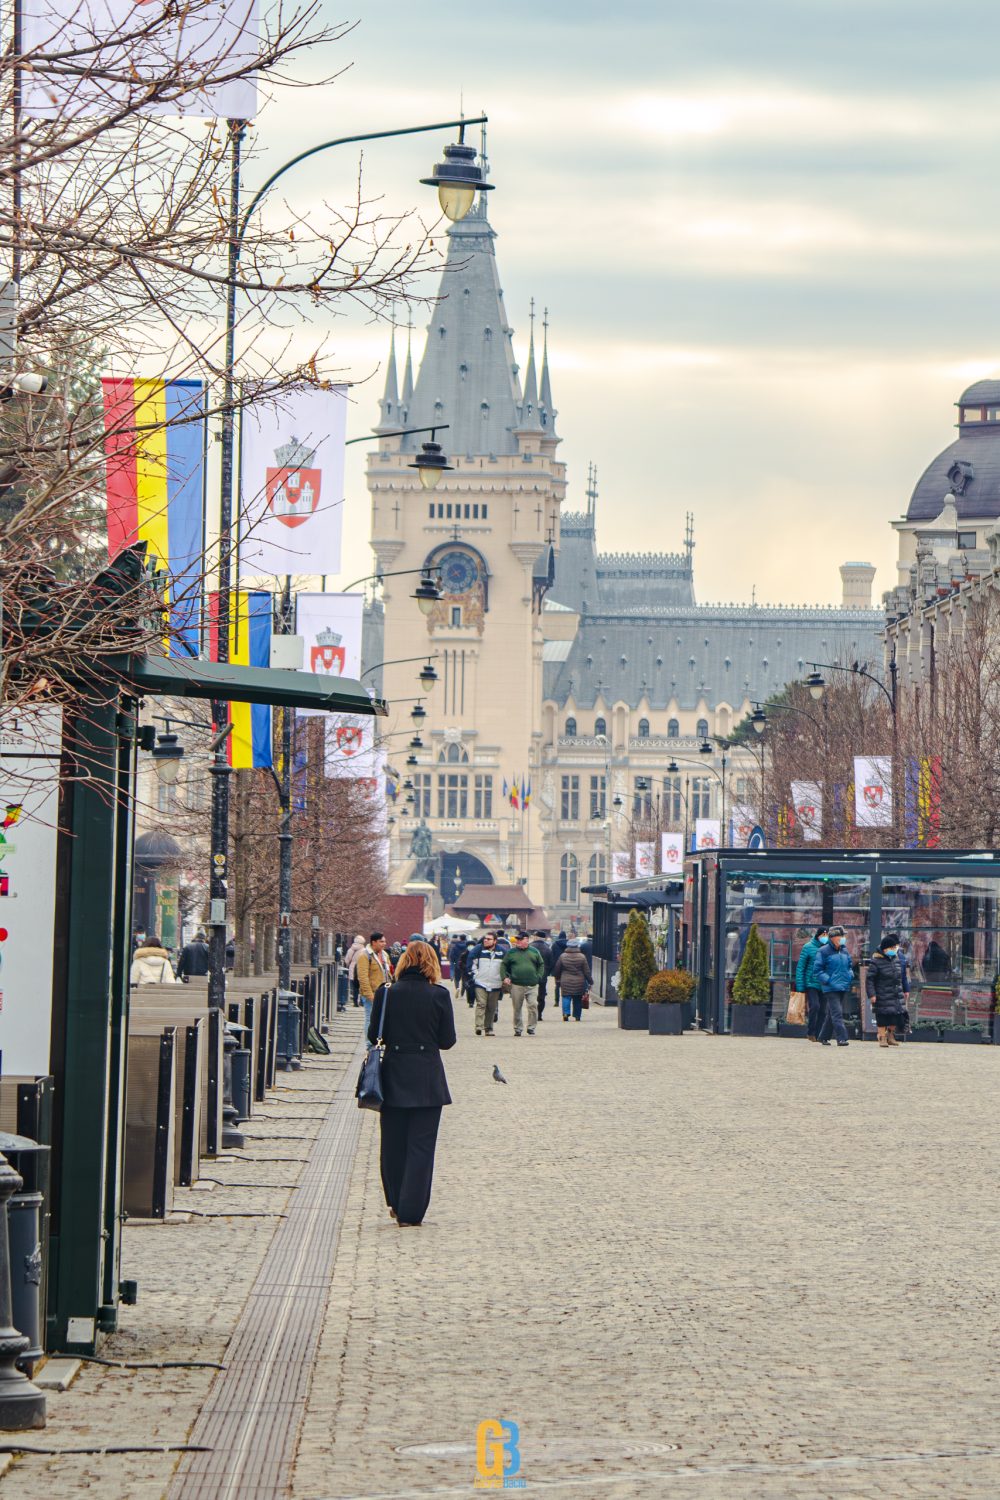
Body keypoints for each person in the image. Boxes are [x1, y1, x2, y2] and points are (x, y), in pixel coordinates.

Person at [368, 940, 456, 1228]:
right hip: (427, 1078)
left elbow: (373, 1035)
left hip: (393, 1074)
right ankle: (411, 1211)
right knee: (421, 1147)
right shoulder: (439, 995)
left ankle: (394, 1200)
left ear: (404, 961)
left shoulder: (386, 993)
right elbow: (447, 1041)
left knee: (392, 1144)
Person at [501, 931, 547, 1036]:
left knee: (533, 1005)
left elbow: (541, 964)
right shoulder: (511, 952)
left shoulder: (534, 951)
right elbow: (504, 965)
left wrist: (539, 976)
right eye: (517, 939)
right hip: (517, 984)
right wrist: (505, 977)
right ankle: (518, 1028)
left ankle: (531, 1027)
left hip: (532, 984)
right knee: (517, 1007)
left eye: (520, 939)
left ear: (527, 940)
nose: (517, 941)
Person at [814, 925, 853, 1046]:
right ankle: (842, 1038)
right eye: (841, 936)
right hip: (831, 988)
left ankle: (823, 1037)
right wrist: (828, 981)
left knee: (832, 1013)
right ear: (833, 937)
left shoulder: (844, 950)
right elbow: (817, 971)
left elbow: (849, 966)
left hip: (842, 986)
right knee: (837, 1013)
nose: (843, 938)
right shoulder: (823, 951)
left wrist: (850, 975)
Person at [866, 932, 906, 1047]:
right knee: (882, 1017)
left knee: (896, 1016)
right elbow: (870, 980)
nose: (894, 950)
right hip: (881, 993)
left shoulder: (896, 959)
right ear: (884, 949)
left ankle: (890, 1035)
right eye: (892, 948)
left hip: (895, 993)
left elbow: (901, 977)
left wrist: (903, 989)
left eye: (895, 947)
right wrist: (872, 994)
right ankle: (882, 1037)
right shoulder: (876, 961)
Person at [794, 925, 829, 1042]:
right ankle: (811, 1031)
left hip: (824, 984)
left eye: (827, 935)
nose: (825, 937)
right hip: (811, 983)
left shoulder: (829, 948)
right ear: (818, 935)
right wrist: (800, 986)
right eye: (823, 935)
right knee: (815, 1006)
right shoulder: (808, 947)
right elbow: (801, 967)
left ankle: (818, 1034)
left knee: (823, 1010)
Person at [470, 930, 505, 1036]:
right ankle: (479, 1026)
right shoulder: (478, 949)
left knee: (491, 1006)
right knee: (481, 1004)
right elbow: (471, 962)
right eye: (485, 938)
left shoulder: (502, 951)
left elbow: (506, 965)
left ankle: (488, 1028)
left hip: (496, 983)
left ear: (495, 941)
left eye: (488, 939)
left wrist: (504, 977)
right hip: (481, 982)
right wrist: (476, 975)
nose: (485, 940)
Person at [357, 932, 392, 1031]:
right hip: (371, 993)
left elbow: (388, 973)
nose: (384, 943)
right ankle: (369, 1044)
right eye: (381, 941)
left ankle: (379, 1041)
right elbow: (363, 977)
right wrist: (369, 995)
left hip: (384, 993)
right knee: (371, 1019)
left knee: (382, 1019)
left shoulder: (385, 954)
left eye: (385, 941)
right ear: (373, 942)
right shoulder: (365, 956)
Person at [554, 936, 592, 1022]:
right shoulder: (582, 957)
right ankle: (577, 1015)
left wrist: (557, 978)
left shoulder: (563, 956)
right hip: (579, 981)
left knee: (566, 997)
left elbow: (557, 968)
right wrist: (590, 981)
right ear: (577, 946)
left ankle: (566, 1013)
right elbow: (586, 971)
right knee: (577, 998)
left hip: (565, 980)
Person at [530, 931, 552, 1019]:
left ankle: (532, 1014)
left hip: (531, 975)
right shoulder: (548, 948)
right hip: (543, 975)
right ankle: (539, 1014)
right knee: (541, 995)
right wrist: (547, 973)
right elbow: (551, 963)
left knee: (531, 995)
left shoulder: (530, 947)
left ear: (536, 937)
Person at [344, 933, 366, 1008]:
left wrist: (350, 964)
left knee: (355, 987)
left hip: (353, 969)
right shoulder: (364, 950)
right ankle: (362, 1002)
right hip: (361, 969)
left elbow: (347, 960)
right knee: (362, 987)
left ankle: (355, 1002)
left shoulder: (351, 949)